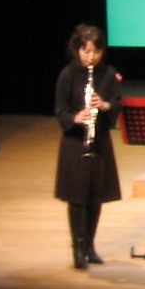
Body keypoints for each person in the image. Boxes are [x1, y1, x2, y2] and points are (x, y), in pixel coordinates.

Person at [54, 23, 122, 270]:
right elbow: (60, 110)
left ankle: (90, 246)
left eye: (95, 52)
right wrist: (75, 118)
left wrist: (104, 106)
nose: (90, 56)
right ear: (77, 50)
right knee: (77, 197)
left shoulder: (108, 74)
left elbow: (116, 105)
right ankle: (77, 248)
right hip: (75, 142)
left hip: (99, 140)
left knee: (96, 196)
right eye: (86, 51)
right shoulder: (67, 75)